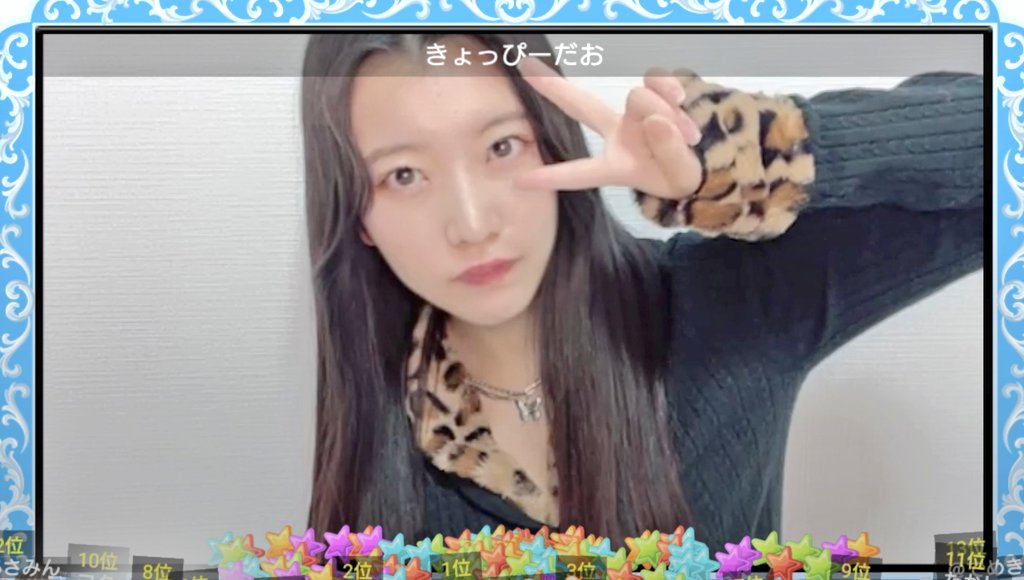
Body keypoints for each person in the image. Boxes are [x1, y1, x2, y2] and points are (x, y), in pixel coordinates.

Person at [300, 31, 985, 553]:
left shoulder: (724, 305)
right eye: (404, 176)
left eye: (502, 147)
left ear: (555, 141)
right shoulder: (374, 425)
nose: (472, 225)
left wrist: (737, 158)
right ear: (356, 215)